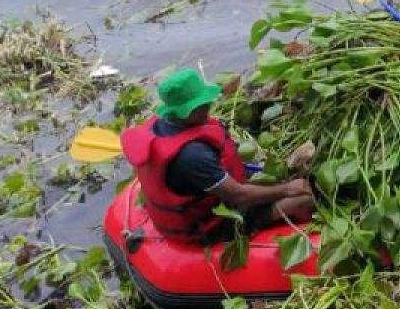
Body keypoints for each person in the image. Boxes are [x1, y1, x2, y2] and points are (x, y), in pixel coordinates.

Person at [120, 69, 314, 242]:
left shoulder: (161, 125)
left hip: (200, 196)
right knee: (304, 199)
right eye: (202, 104)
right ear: (186, 111)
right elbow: (239, 195)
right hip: (209, 225)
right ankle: (289, 225)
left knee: (280, 182)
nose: (209, 106)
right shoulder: (193, 157)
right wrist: (288, 189)